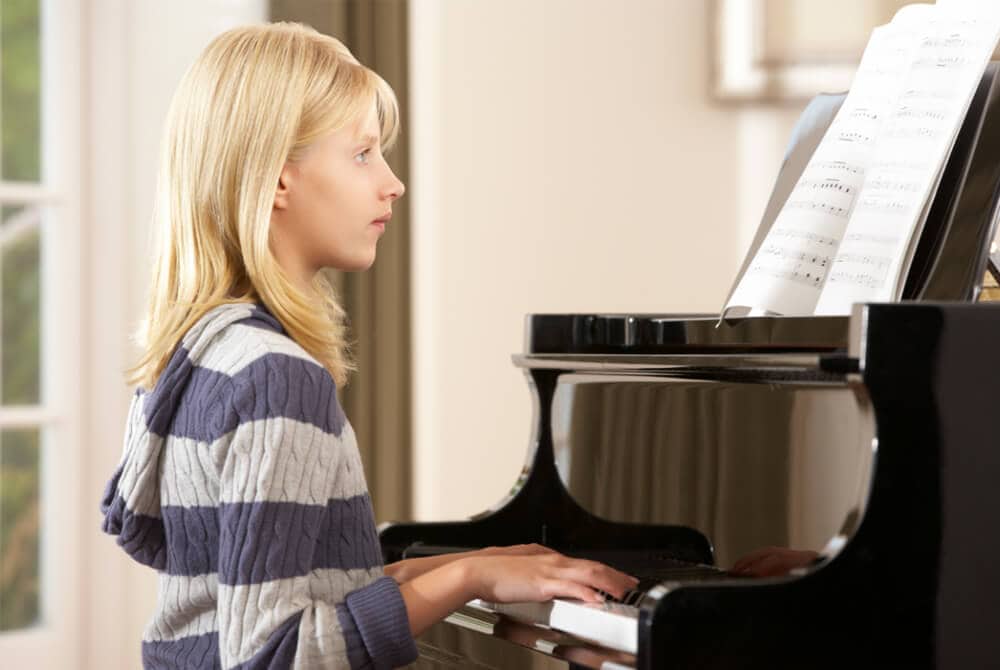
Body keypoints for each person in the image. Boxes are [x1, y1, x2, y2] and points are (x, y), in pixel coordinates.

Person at [99, 22, 638, 669]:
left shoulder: (199, 354)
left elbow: (278, 602)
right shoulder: (275, 378)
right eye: (363, 154)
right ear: (277, 180)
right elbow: (271, 655)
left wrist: (474, 563)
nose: (393, 183)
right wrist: (467, 582)